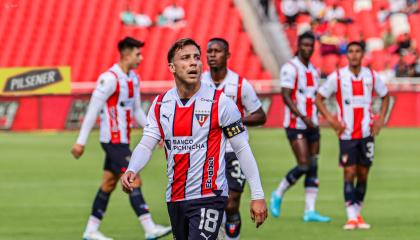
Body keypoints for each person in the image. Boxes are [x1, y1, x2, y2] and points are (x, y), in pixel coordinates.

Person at [120, 38, 267, 240]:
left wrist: (257, 195)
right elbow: (147, 143)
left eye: (197, 58)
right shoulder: (161, 104)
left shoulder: (221, 103)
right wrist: (132, 169)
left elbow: (242, 149)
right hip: (175, 197)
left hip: (209, 196)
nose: (193, 63)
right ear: (172, 67)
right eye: (185, 58)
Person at [71, 37, 171, 240]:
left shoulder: (133, 78)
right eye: (138, 54)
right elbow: (93, 110)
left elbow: (136, 110)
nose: (141, 58)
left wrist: (154, 131)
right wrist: (81, 141)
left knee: (108, 183)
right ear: (126, 54)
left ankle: (91, 230)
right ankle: (149, 227)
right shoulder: (109, 79)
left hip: (123, 139)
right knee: (133, 178)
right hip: (112, 140)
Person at [315, 41, 390, 230]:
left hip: (366, 132)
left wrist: (381, 118)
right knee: (349, 172)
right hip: (347, 134)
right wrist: (331, 120)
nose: (354, 54)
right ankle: (351, 217)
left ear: (362, 54)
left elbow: (385, 95)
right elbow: (319, 99)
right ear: (346, 55)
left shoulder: (372, 76)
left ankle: (357, 215)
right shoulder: (338, 77)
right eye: (351, 51)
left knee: (363, 174)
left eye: (358, 51)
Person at [201, 38, 267, 240]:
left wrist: (237, 120)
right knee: (209, 202)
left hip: (234, 151)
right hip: (207, 151)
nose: (212, 55)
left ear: (227, 55)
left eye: (217, 51)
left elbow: (260, 115)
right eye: (209, 51)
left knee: (231, 202)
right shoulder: (199, 82)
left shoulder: (240, 84)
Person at [270, 32, 331, 222]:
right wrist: (303, 117)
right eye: (304, 45)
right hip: (296, 124)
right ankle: (278, 193)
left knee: (313, 166)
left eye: (311, 45)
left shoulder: (313, 69)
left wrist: (317, 116)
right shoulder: (290, 68)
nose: (308, 48)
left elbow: (314, 97)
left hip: (312, 124)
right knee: (304, 164)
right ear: (298, 45)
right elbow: (286, 95)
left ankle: (310, 211)